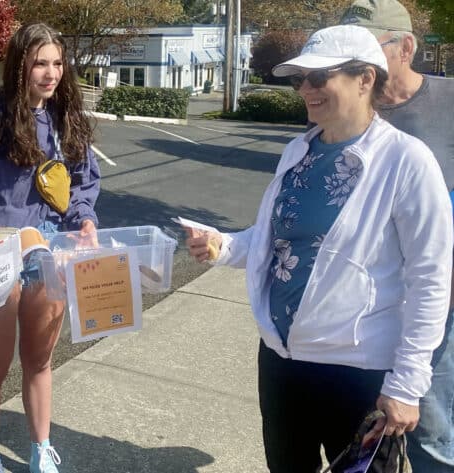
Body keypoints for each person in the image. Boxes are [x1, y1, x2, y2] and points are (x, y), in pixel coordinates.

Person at [184, 25, 452, 473]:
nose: (306, 88)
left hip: (358, 370)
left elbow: (430, 278)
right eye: (299, 80)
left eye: (319, 77)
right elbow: (273, 238)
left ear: (365, 79)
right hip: (283, 361)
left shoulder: (407, 161)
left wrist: (407, 385)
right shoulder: (298, 151)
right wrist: (224, 245)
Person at [0, 23, 100, 473]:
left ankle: (40, 450)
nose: (50, 73)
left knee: (39, 361)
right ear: (19, 65)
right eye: (40, 63)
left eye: (57, 63)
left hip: (48, 253)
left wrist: (86, 219)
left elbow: (82, 185)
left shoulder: (64, 118)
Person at [341, 2, 454, 469]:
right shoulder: (344, 111)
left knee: (431, 430)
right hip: (362, 308)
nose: (352, 65)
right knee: (364, 429)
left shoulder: (449, 104)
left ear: (405, 47)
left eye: (365, 49)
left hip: (434, 304)